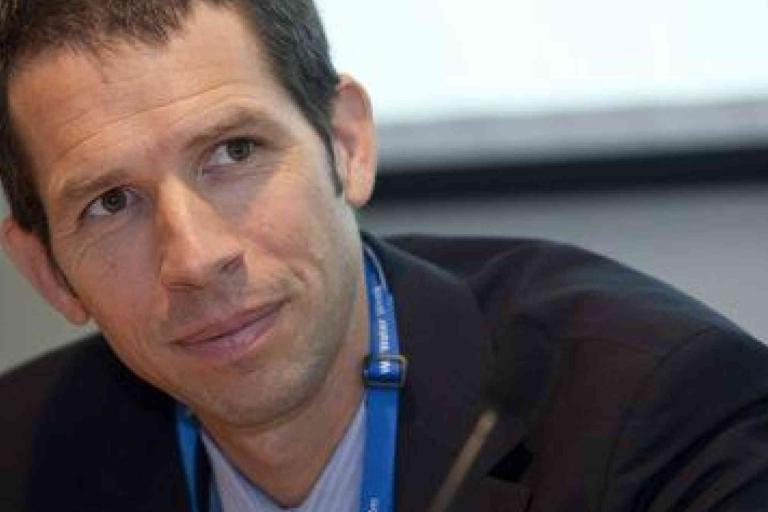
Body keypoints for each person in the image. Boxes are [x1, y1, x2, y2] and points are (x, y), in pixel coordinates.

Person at [1, 1, 767, 511]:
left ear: (347, 144)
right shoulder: (19, 460)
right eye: (110, 203)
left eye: (234, 152)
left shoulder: (658, 417)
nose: (195, 259)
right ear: (47, 272)